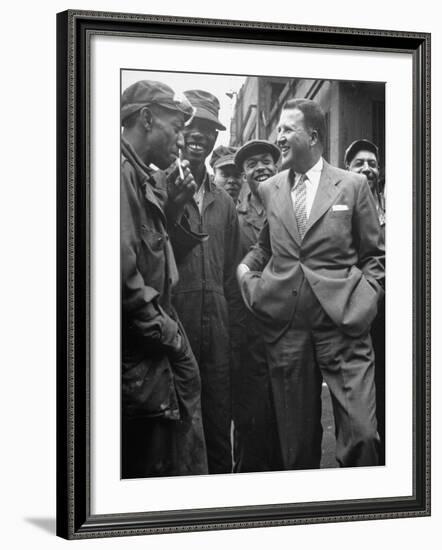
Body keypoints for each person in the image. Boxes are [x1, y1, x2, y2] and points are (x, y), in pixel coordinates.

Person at [237, 98, 385, 470]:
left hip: (345, 327)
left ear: (313, 135)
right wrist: (246, 274)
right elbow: (265, 246)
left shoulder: (351, 185)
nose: (279, 137)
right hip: (287, 332)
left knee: (363, 438)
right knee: (296, 451)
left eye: (287, 129)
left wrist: (366, 299)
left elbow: (374, 256)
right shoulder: (270, 188)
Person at [120, 80, 208, 478]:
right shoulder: (119, 175)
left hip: (153, 334)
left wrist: (171, 207)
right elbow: (120, 273)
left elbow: (150, 250)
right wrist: (166, 331)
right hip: (144, 342)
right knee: (152, 464)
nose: (179, 139)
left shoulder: (140, 176)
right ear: (146, 118)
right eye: (174, 128)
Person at [172, 89, 244, 474]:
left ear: (217, 137)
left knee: (218, 428)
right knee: (179, 431)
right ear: (180, 131)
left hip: (218, 333)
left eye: (208, 129)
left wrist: (231, 335)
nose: (199, 135)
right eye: (191, 126)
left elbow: (232, 278)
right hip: (176, 328)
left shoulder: (226, 204)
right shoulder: (160, 187)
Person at [233, 140, 283, 472]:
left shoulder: (292, 204)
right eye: (252, 164)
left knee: (288, 425)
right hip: (246, 334)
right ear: (244, 174)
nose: (261, 167)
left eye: (266, 161)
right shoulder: (230, 211)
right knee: (251, 426)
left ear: (277, 166)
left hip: (286, 329)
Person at [345, 138, 386, 464]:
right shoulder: (340, 210)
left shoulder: (399, 208)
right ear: (348, 171)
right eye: (359, 164)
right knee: (361, 419)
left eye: (372, 164)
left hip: (395, 328)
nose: (367, 169)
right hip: (358, 327)